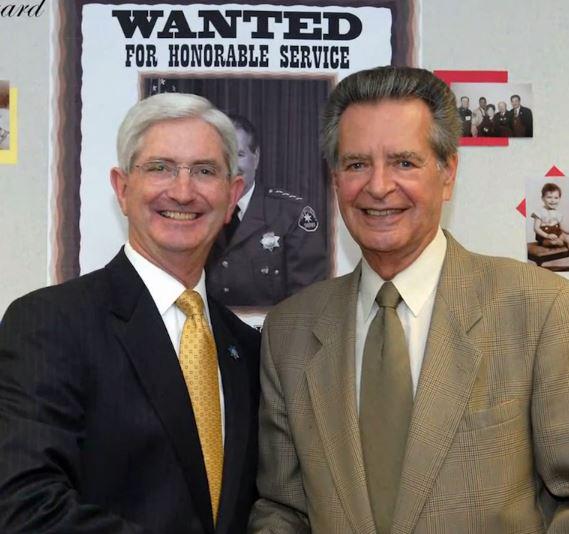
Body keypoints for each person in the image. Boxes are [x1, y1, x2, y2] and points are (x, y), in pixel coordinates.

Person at [248, 66, 569, 533]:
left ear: (448, 173)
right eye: (357, 164)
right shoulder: (289, 332)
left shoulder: (540, 308)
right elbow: (283, 509)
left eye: (404, 162)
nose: (378, 186)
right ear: (335, 179)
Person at [0, 93, 261, 533]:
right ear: (122, 189)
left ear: (232, 194)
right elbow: (24, 506)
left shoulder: (248, 348)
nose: (182, 191)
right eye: (160, 168)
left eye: (204, 171)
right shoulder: (49, 324)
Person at [206, 114, 328, 307]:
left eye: (239, 155)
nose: (231, 165)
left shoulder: (291, 214)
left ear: (256, 158)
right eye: (223, 156)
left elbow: (308, 300)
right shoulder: (198, 210)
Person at [532, 182, 569, 247]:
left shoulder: (558, 213)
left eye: (556, 198)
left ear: (559, 199)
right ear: (543, 198)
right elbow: (536, 228)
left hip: (557, 234)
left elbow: (562, 227)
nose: (552, 200)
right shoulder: (539, 212)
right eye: (549, 197)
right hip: (544, 237)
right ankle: (559, 242)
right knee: (552, 242)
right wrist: (547, 235)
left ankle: (562, 242)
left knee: (567, 237)